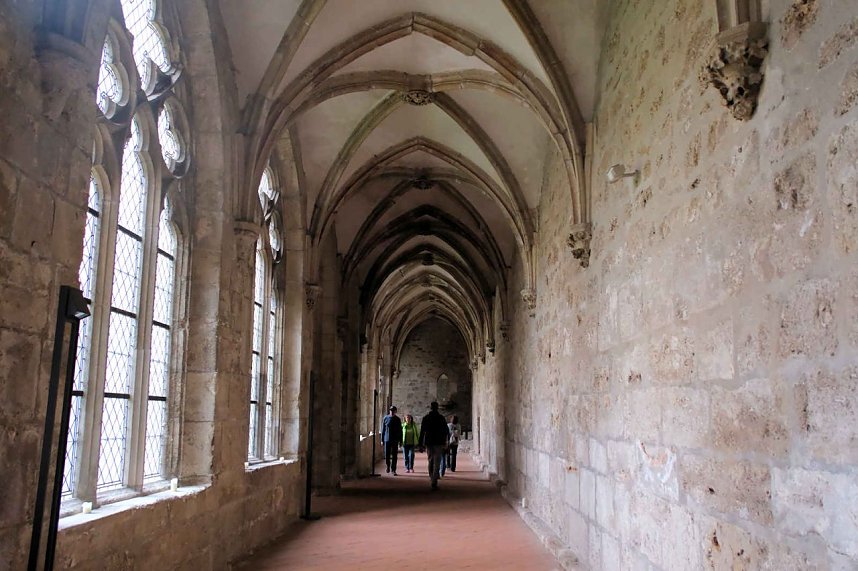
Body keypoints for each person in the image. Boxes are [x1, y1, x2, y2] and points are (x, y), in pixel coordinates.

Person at [419, 401, 449, 490]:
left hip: (429, 442)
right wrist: (445, 442)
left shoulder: (426, 418)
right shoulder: (441, 418)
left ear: (430, 408)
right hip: (439, 442)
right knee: (437, 462)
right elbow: (446, 431)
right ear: (437, 408)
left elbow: (422, 432)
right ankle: (434, 480)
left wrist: (420, 444)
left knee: (430, 460)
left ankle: (432, 477)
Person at [380, 405, 402, 475]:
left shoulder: (397, 419)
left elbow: (400, 430)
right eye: (391, 410)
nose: (392, 412)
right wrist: (382, 440)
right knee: (387, 454)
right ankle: (388, 465)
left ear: (395, 411)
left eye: (393, 411)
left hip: (395, 439)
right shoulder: (385, 418)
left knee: (395, 455)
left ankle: (393, 469)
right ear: (389, 411)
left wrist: (400, 440)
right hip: (387, 439)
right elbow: (383, 429)